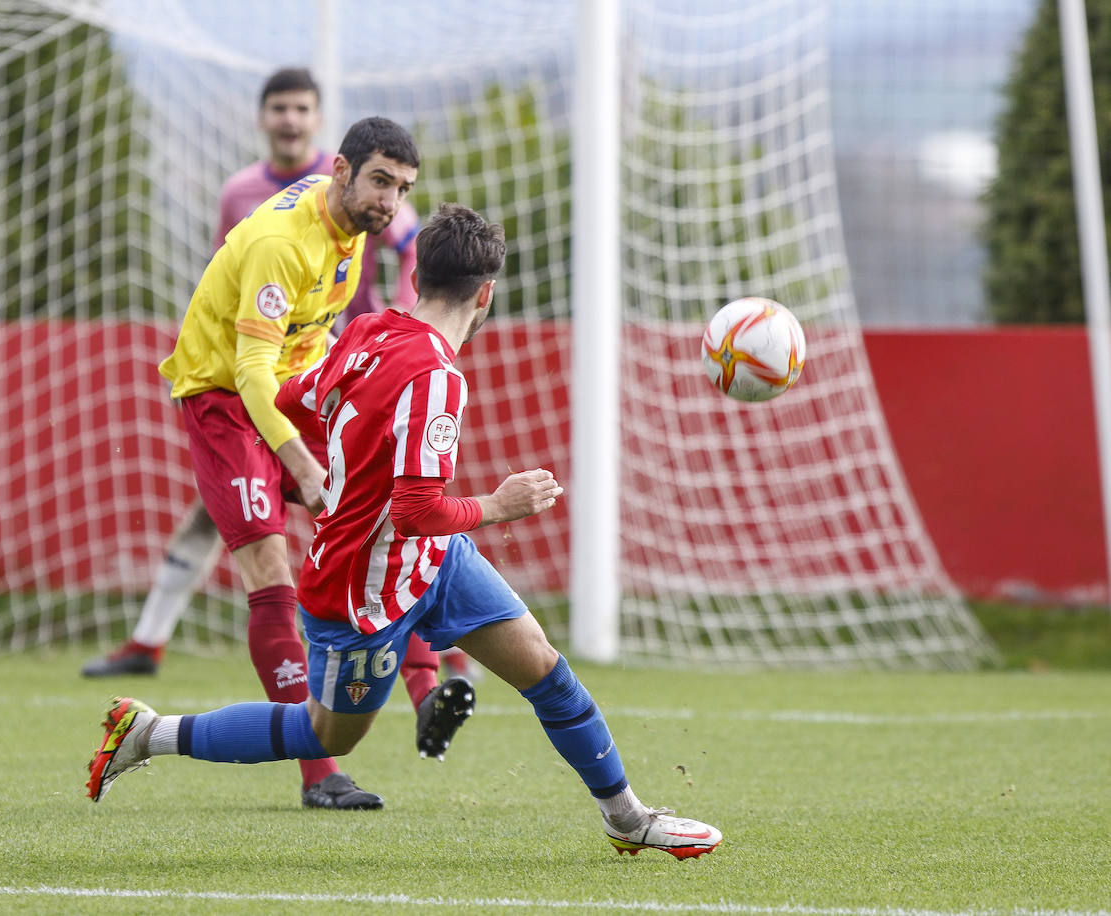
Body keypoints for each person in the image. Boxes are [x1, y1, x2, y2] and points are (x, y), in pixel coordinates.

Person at [86, 203, 723, 858]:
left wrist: (330, 474)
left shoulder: (367, 329)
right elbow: (415, 508)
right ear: (486, 294)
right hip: (362, 592)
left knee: (544, 668)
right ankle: (149, 732)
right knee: (327, 736)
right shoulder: (438, 378)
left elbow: (293, 398)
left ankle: (626, 816)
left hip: (434, 559)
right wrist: (499, 506)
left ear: (416, 275)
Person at [81, 68, 475, 690]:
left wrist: (388, 338)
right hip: (229, 389)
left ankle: (429, 685)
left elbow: (397, 260)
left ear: (317, 124)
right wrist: (303, 462)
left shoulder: (357, 214)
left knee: (387, 500)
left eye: (402, 188)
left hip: (289, 379)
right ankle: (312, 753)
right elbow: (249, 337)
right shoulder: (260, 216)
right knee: (265, 557)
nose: (392, 201)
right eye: (382, 183)